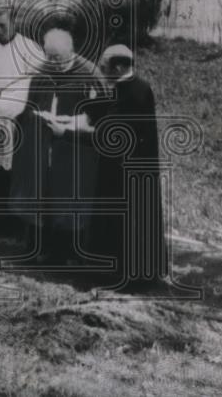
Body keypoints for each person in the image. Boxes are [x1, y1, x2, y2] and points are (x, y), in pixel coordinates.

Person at [9, 28, 106, 266]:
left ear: (71, 52)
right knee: (42, 192)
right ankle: (39, 248)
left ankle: (70, 255)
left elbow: (99, 117)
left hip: (75, 150)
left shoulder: (89, 74)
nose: (53, 64)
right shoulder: (43, 72)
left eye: (58, 59)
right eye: (49, 58)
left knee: (70, 198)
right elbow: (28, 107)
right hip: (45, 145)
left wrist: (71, 126)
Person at [89, 44, 166, 289]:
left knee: (129, 220)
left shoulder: (133, 93)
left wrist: (69, 130)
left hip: (128, 170)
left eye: (104, 68)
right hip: (130, 166)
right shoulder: (132, 87)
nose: (101, 72)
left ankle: (132, 278)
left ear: (119, 67)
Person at [0, 6, 44, 234]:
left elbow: (26, 90)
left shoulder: (29, 49)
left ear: (15, 21)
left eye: (2, 25)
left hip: (18, 120)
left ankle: (17, 223)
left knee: (16, 171)